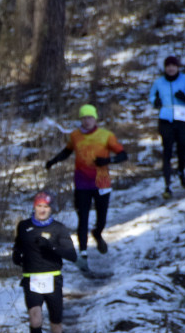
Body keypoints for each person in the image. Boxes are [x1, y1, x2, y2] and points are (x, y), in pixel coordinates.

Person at [45, 104, 126, 271]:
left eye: (90, 117)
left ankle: (97, 233)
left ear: (95, 119)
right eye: (83, 118)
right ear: (80, 120)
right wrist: (53, 161)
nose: (87, 121)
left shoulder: (106, 136)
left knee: (102, 218)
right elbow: (67, 151)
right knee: (82, 219)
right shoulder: (75, 136)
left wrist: (108, 161)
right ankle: (82, 254)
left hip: (102, 182)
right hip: (82, 183)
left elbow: (123, 155)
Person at [12, 191, 77, 333]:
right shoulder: (24, 226)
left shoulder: (59, 229)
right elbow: (18, 245)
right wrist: (16, 255)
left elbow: (72, 255)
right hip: (31, 279)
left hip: (53, 279)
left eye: (46, 207)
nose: (42, 210)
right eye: (39, 206)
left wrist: (51, 246)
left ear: (51, 209)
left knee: (55, 324)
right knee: (35, 319)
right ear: (34, 206)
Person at [149, 55, 185, 198]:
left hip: (182, 118)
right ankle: (167, 184)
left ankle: (181, 171)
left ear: (177, 67)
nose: (171, 68)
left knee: (182, 147)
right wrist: (156, 101)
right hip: (166, 119)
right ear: (165, 68)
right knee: (167, 150)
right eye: (168, 66)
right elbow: (152, 96)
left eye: (173, 66)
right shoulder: (159, 82)